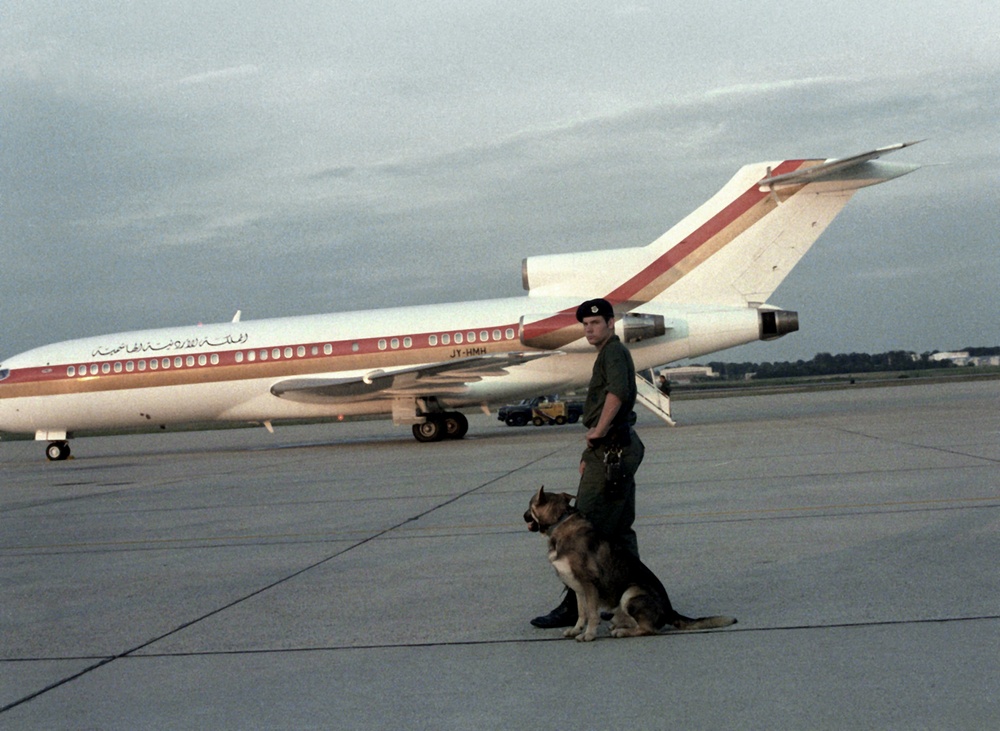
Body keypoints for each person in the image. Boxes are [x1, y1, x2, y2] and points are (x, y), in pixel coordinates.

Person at [531, 298, 645, 629]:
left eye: (595, 323)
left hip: (611, 449)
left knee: (582, 531)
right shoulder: (612, 352)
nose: (589, 328)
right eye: (586, 324)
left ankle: (574, 606)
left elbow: (617, 393)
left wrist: (598, 430)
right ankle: (633, 597)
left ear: (610, 323)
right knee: (620, 531)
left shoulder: (611, 351)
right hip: (617, 447)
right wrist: (589, 453)